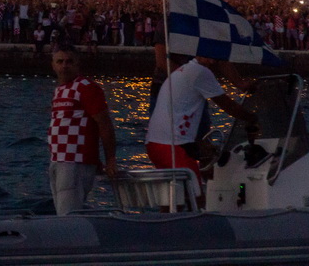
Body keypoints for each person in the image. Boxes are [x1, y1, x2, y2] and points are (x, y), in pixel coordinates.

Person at [145, 53, 258, 186]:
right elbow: (229, 106)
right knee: (194, 194)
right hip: (172, 147)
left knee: (177, 194)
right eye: (208, 56)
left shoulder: (184, 69)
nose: (211, 61)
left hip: (155, 144)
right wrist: (253, 118)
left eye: (214, 58)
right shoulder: (201, 72)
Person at [49, 45, 117, 215]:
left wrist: (110, 159)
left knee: (67, 214)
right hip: (59, 159)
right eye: (60, 62)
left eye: (69, 61)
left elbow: (104, 124)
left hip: (74, 161)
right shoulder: (60, 90)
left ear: (77, 64)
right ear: (53, 65)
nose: (64, 66)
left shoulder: (86, 88)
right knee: (63, 212)